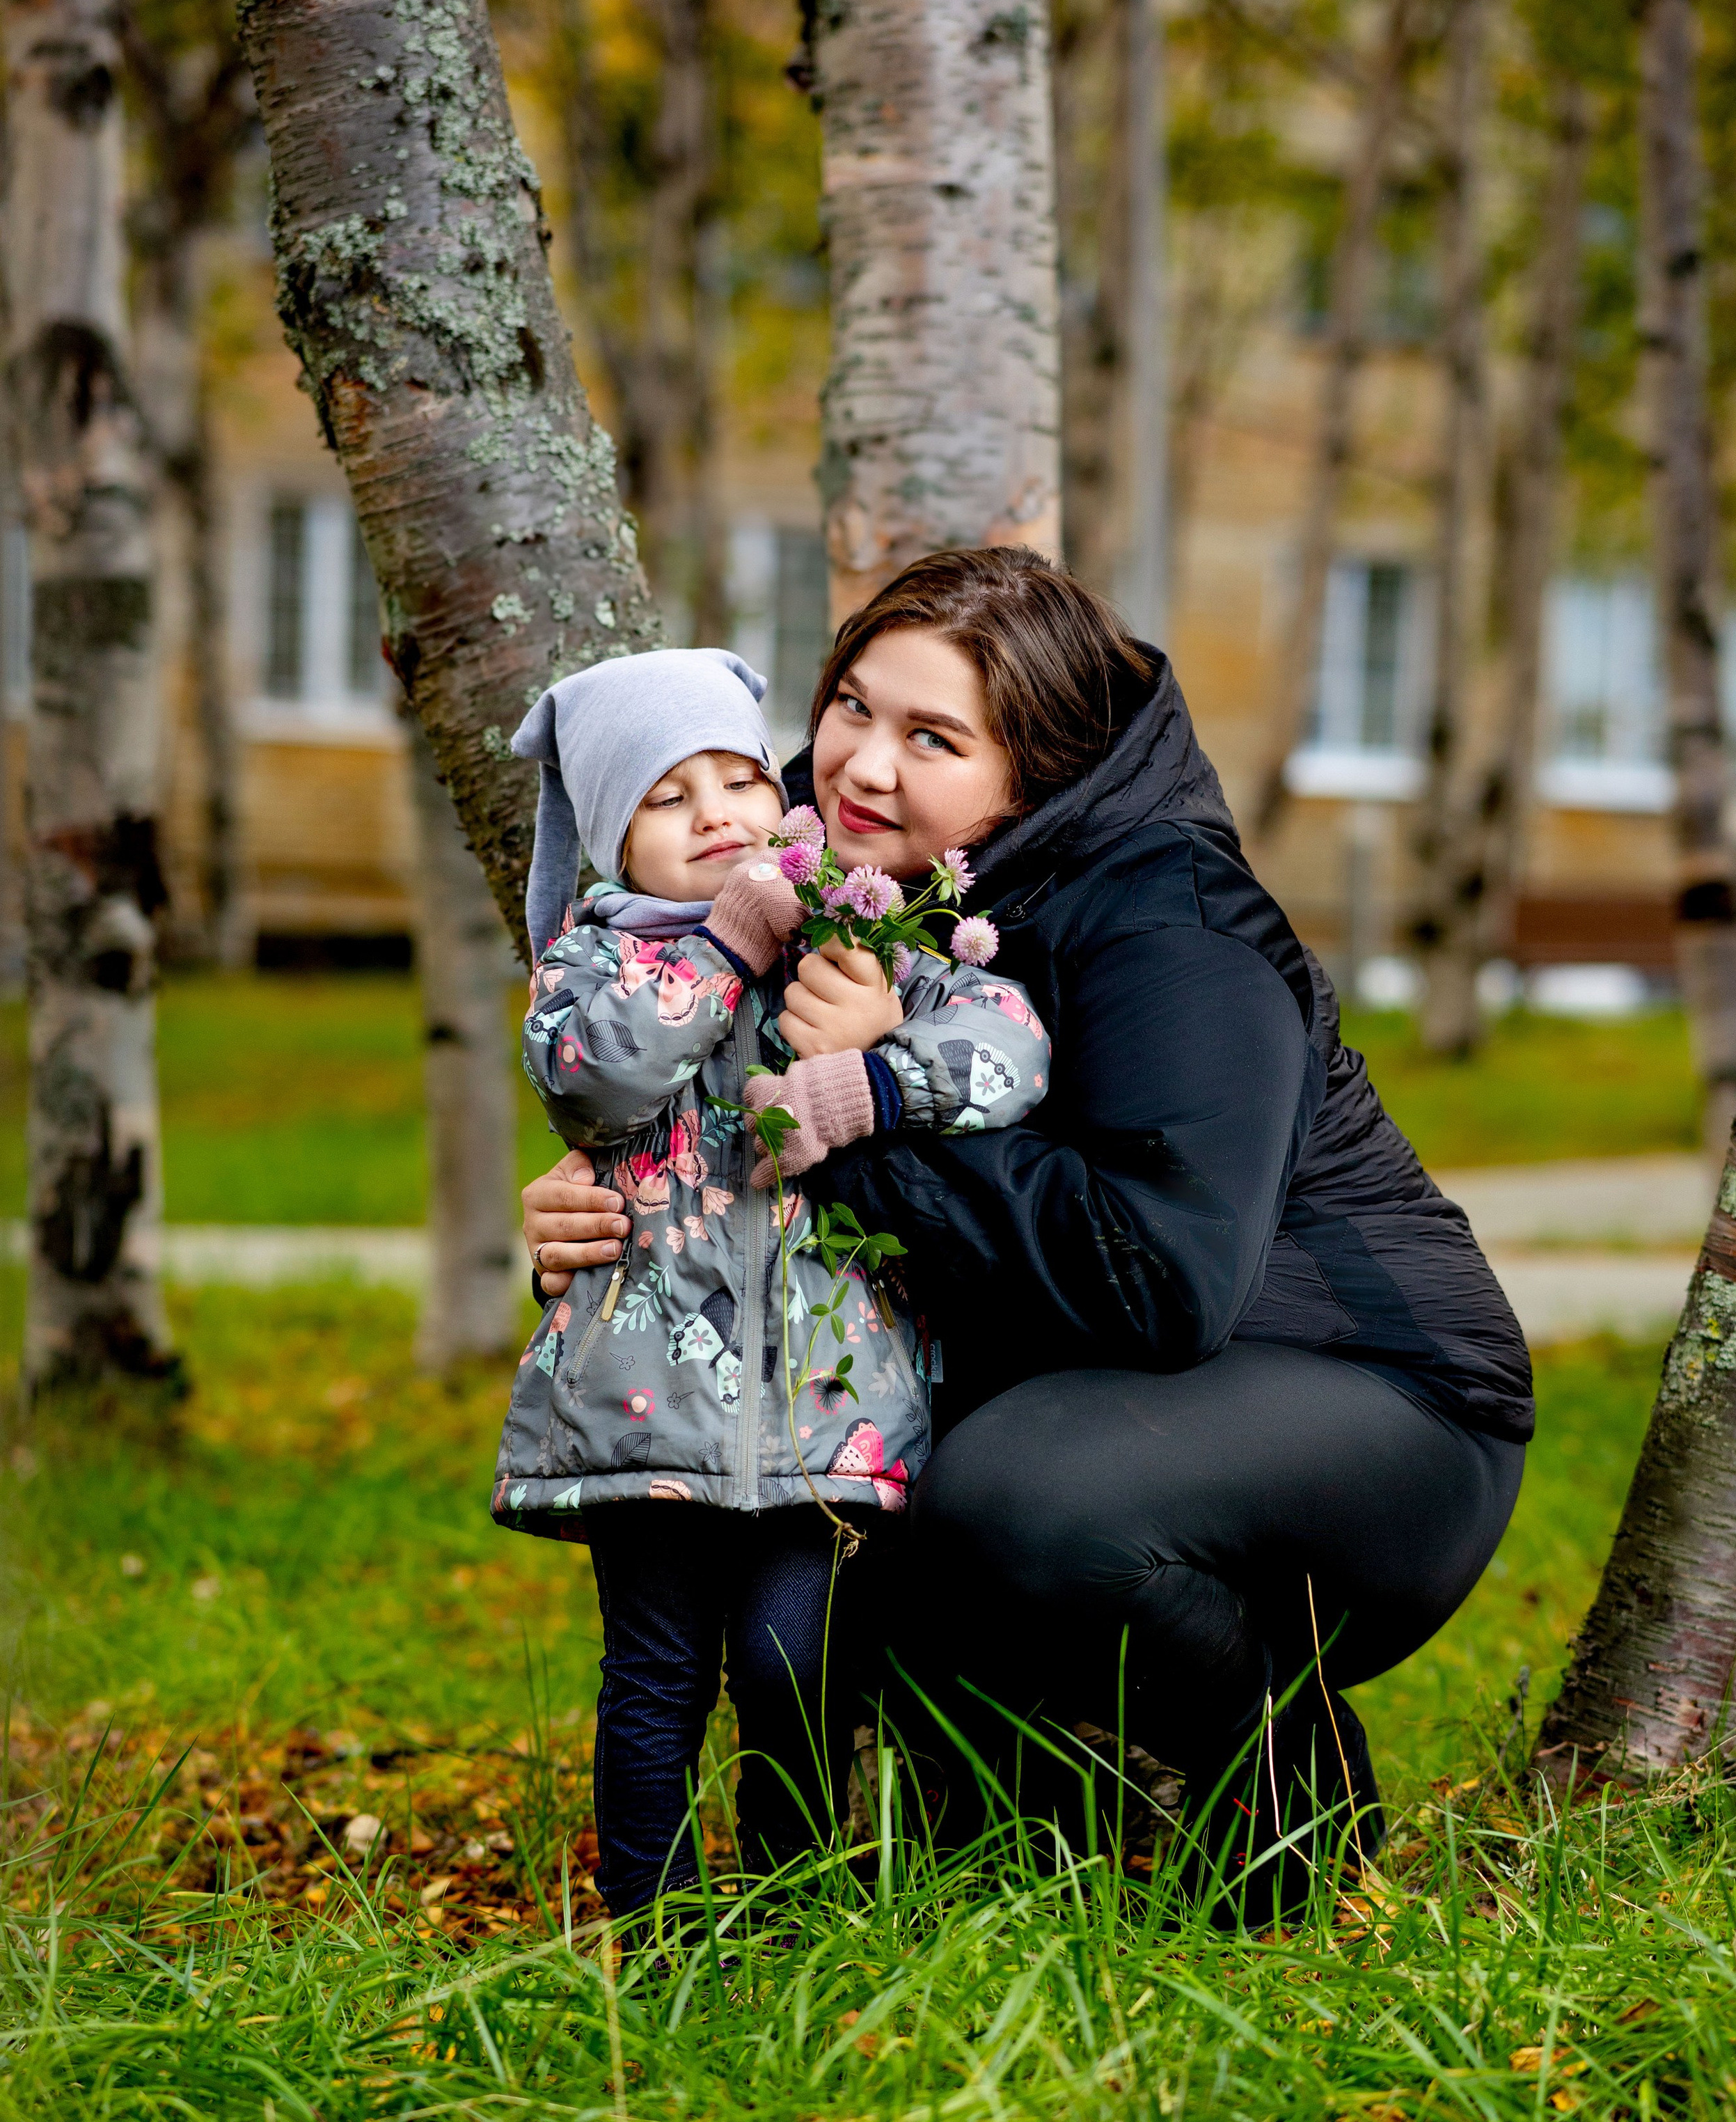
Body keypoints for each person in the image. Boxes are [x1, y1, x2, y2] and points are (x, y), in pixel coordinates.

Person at [521, 552, 1533, 1915]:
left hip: (1377, 1403)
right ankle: (1014, 1856)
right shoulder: (829, 891)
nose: (861, 767)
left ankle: (1286, 1811)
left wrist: (878, 1101)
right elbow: (693, 1095)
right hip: (1141, 1396)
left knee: (1004, 1500)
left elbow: (1160, 1281)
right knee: (854, 1556)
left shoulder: (1171, 925)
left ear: (1037, 768)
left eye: (930, 738)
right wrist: (613, 1222)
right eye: (850, 708)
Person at [493, 644, 1050, 1916]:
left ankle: (794, 1915)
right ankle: (659, 1929)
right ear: (608, 836)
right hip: (647, 1417)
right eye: (667, 797)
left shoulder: (856, 933)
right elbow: (595, 1074)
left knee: (795, 1665)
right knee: (656, 1678)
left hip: (831, 1412)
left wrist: (875, 1074)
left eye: (737, 783)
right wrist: (729, 951)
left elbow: (1009, 1048)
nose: (716, 819)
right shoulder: (593, 967)